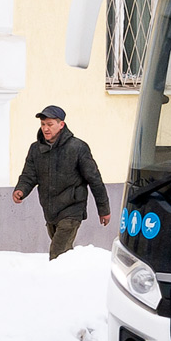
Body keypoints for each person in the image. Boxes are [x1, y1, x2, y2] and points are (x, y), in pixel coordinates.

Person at [13, 105, 111, 259]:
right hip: (50, 210)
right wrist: (21, 190)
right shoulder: (36, 149)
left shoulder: (78, 147)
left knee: (57, 253)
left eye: (50, 124)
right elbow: (28, 175)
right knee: (65, 254)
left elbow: (94, 179)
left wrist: (103, 209)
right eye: (43, 124)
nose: (46, 128)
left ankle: (54, 282)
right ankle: (75, 278)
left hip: (72, 209)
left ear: (61, 125)